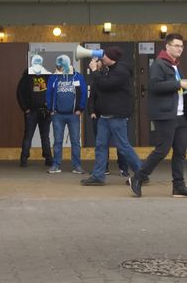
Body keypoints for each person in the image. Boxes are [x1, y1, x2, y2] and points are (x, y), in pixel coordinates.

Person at [130, 34, 187, 197]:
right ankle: (138, 177)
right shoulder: (159, 64)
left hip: (180, 115)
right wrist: (179, 83)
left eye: (181, 46)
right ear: (167, 47)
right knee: (162, 150)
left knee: (180, 151)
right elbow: (154, 86)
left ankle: (178, 186)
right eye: (176, 45)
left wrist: (183, 86)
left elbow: (177, 89)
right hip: (165, 115)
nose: (180, 49)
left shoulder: (175, 66)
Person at [81, 46, 141, 186]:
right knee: (101, 145)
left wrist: (95, 71)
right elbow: (102, 86)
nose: (102, 57)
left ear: (111, 58)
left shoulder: (121, 71)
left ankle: (142, 173)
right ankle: (98, 176)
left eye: (104, 56)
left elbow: (105, 85)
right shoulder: (111, 70)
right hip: (106, 115)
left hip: (117, 115)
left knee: (123, 146)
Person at [46, 54, 87, 174]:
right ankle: (56, 165)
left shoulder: (78, 77)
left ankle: (77, 166)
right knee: (57, 141)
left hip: (73, 115)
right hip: (57, 115)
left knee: (75, 142)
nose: (58, 68)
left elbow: (83, 93)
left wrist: (80, 109)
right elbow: (49, 93)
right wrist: (50, 109)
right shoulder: (54, 78)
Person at [87, 73, 129, 177]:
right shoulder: (96, 82)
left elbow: (125, 98)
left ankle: (124, 169)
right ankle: (103, 168)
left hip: (117, 117)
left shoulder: (118, 83)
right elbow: (91, 98)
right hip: (99, 117)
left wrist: (126, 113)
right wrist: (92, 112)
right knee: (101, 144)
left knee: (121, 144)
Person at [16, 55, 53, 167]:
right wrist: (25, 108)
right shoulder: (46, 76)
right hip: (38, 111)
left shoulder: (27, 76)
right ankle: (46, 159)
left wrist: (25, 108)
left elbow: (19, 93)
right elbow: (20, 94)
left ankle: (25, 160)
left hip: (37, 111)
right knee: (42, 136)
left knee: (31, 135)